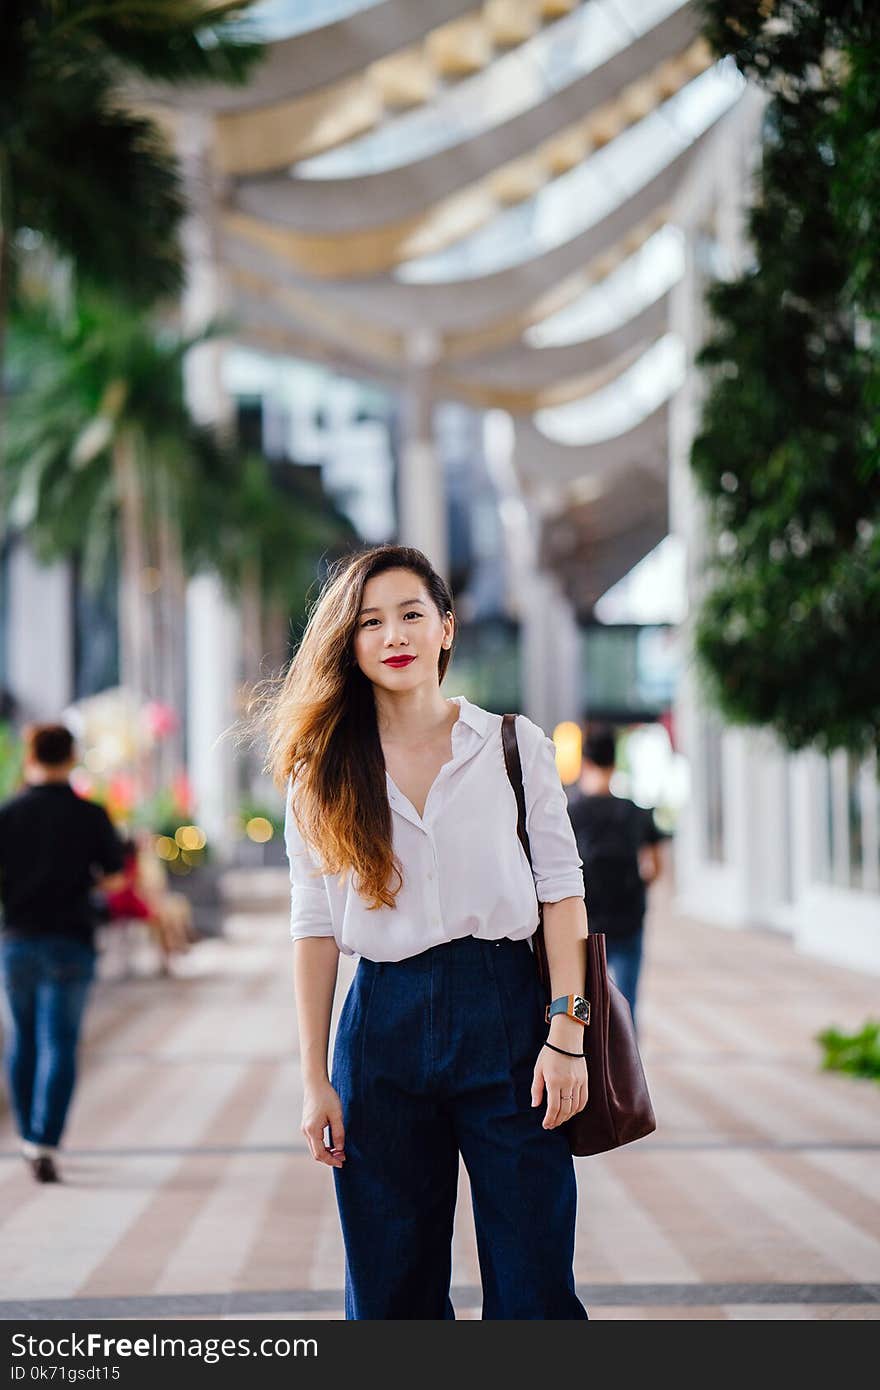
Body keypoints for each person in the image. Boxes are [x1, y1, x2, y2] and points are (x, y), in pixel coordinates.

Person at [254, 543, 591, 1320]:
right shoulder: (321, 774)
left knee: (535, 1278)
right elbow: (313, 929)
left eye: (410, 614)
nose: (393, 634)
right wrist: (314, 1079)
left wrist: (567, 1033)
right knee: (389, 1287)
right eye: (370, 622)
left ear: (446, 627)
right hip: (381, 1026)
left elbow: (563, 896)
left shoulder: (513, 746)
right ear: (351, 643)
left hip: (507, 1014)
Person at [0, 723, 126, 1182]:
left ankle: (26, 1136)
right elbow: (114, 879)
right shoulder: (90, 814)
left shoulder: (9, 813)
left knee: (24, 1039)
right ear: (71, 757)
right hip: (72, 939)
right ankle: (45, 1141)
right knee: (61, 1043)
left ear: (30, 756)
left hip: (18, 940)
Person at [566, 723, 666, 1030]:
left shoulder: (570, 813)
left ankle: (586, 1060)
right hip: (627, 921)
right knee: (625, 1006)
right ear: (614, 762)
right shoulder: (635, 813)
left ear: (586, 763)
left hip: (584, 926)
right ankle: (625, 1071)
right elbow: (654, 866)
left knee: (581, 1003)